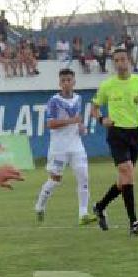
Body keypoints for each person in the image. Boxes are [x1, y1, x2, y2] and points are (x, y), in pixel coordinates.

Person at [90, 47, 138, 235]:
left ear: (129, 61)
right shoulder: (107, 86)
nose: (120, 63)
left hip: (135, 134)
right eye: (116, 60)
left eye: (123, 59)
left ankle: (100, 206)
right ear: (113, 63)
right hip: (116, 133)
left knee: (123, 180)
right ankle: (134, 222)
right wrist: (102, 119)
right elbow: (94, 108)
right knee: (127, 172)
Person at [34, 69, 98, 225]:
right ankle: (40, 206)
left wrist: (81, 126)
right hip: (59, 147)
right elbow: (50, 124)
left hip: (76, 145)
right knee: (55, 180)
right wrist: (72, 121)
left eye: (69, 80)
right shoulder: (54, 101)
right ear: (59, 83)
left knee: (84, 178)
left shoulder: (78, 98)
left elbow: (78, 120)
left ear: (74, 82)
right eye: (63, 80)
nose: (66, 83)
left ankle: (83, 214)